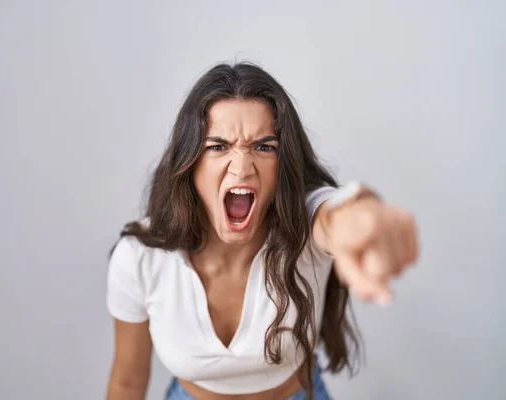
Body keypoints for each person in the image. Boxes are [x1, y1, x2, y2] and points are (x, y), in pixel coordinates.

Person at [106, 62, 418, 400]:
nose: (242, 168)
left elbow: (335, 214)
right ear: (190, 163)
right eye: (218, 146)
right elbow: (127, 383)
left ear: (282, 164)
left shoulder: (303, 225)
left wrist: (362, 218)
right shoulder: (140, 257)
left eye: (264, 147)